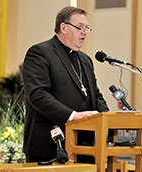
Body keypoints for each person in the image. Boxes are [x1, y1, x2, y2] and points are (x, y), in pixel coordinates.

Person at [22, 6, 109, 163]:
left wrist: (108, 118)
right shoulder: (40, 53)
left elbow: (95, 96)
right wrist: (72, 116)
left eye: (87, 28)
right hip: (49, 145)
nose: (85, 32)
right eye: (80, 27)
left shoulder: (85, 60)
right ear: (63, 27)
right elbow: (38, 94)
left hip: (84, 146)